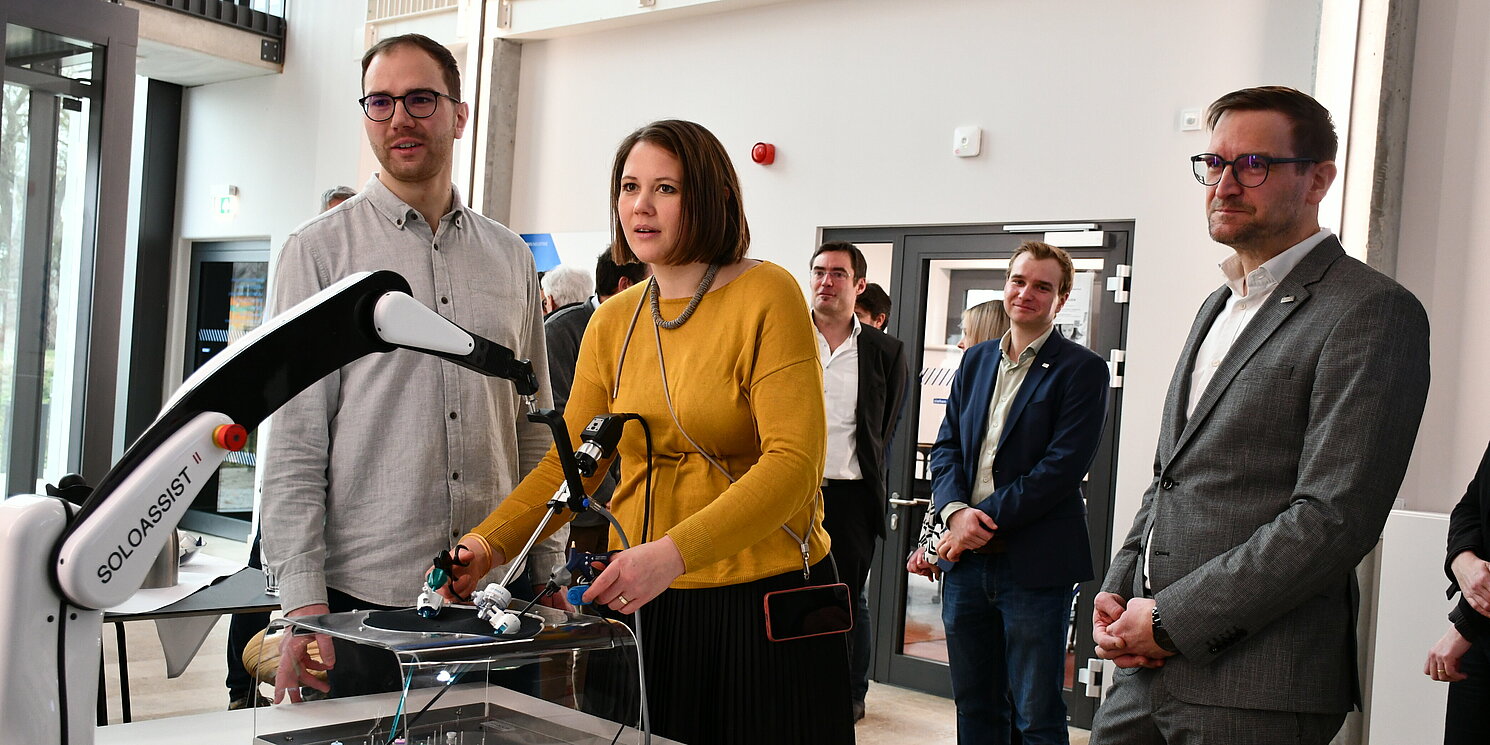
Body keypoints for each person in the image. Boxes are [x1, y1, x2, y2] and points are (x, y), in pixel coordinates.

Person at [444, 119, 852, 744]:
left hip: (755, 597)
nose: (641, 204)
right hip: (639, 595)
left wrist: (670, 555)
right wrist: (488, 545)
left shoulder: (767, 294)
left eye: (666, 188)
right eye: (629, 186)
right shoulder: (612, 322)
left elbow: (792, 467)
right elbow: (570, 465)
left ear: (709, 198)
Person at [1090, 86, 1431, 744]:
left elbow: (1332, 518)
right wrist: (1118, 584)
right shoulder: (1216, 308)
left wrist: (1167, 620)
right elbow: (1171, 479)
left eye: (1253, 165)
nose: (1224, 183)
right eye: (1213, 164)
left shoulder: (1368, 310)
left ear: (1318, 178)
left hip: (1256, 687)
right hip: (1144, 676)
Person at [260, 33, 559, 703]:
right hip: (365, 607)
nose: (400, 117)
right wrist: (303, 608)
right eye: (381, 101)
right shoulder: (318, 255)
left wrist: (549, 568)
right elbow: (296, 443)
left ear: (459, 114)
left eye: (421, 99)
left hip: (497, 602)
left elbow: (532, 427)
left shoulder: (511, 257)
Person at [925, 241, 1108, 745]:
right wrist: (955, 510)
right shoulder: (977, 360)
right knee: (976, 707)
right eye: (1018, 281)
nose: (1026, 293)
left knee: (1036, 714)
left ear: (1061, 298)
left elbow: (1060, 470)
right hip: (966, 568)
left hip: (1033, 568)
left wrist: (972, 523)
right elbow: (947, 449)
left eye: (1042, 286)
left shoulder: (1082, 369)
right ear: (1005, 285)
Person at [809, 240, 909, 722]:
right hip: (787, 491)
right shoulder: (786, 337)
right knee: (780, 591)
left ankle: (844, 693)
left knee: (844, 599)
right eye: (819, 272)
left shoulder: (885, 352)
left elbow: (881, 428)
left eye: (838, 274)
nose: (826, 282)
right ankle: (791, 685)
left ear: (859, 285)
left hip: (848, 497)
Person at [547, 251, 649, 563]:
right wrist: (606, 494)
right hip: (586, 510)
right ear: (624, 285)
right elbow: (562, 422)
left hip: (632, 507)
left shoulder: (646, 329)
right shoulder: (562, 332)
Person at [907, 297, 1013, 581]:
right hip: (955, 556)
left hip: (1002, 552)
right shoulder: (967, 386)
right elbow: (948, 459)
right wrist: (929, 549)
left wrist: (934, 548)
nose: (960, 343)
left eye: (967, 333)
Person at [1424, 441, 1490, 744]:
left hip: (1475, 626)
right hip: (1481, 639)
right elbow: (1470, 506)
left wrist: (1463, 626)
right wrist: (1462, 558)